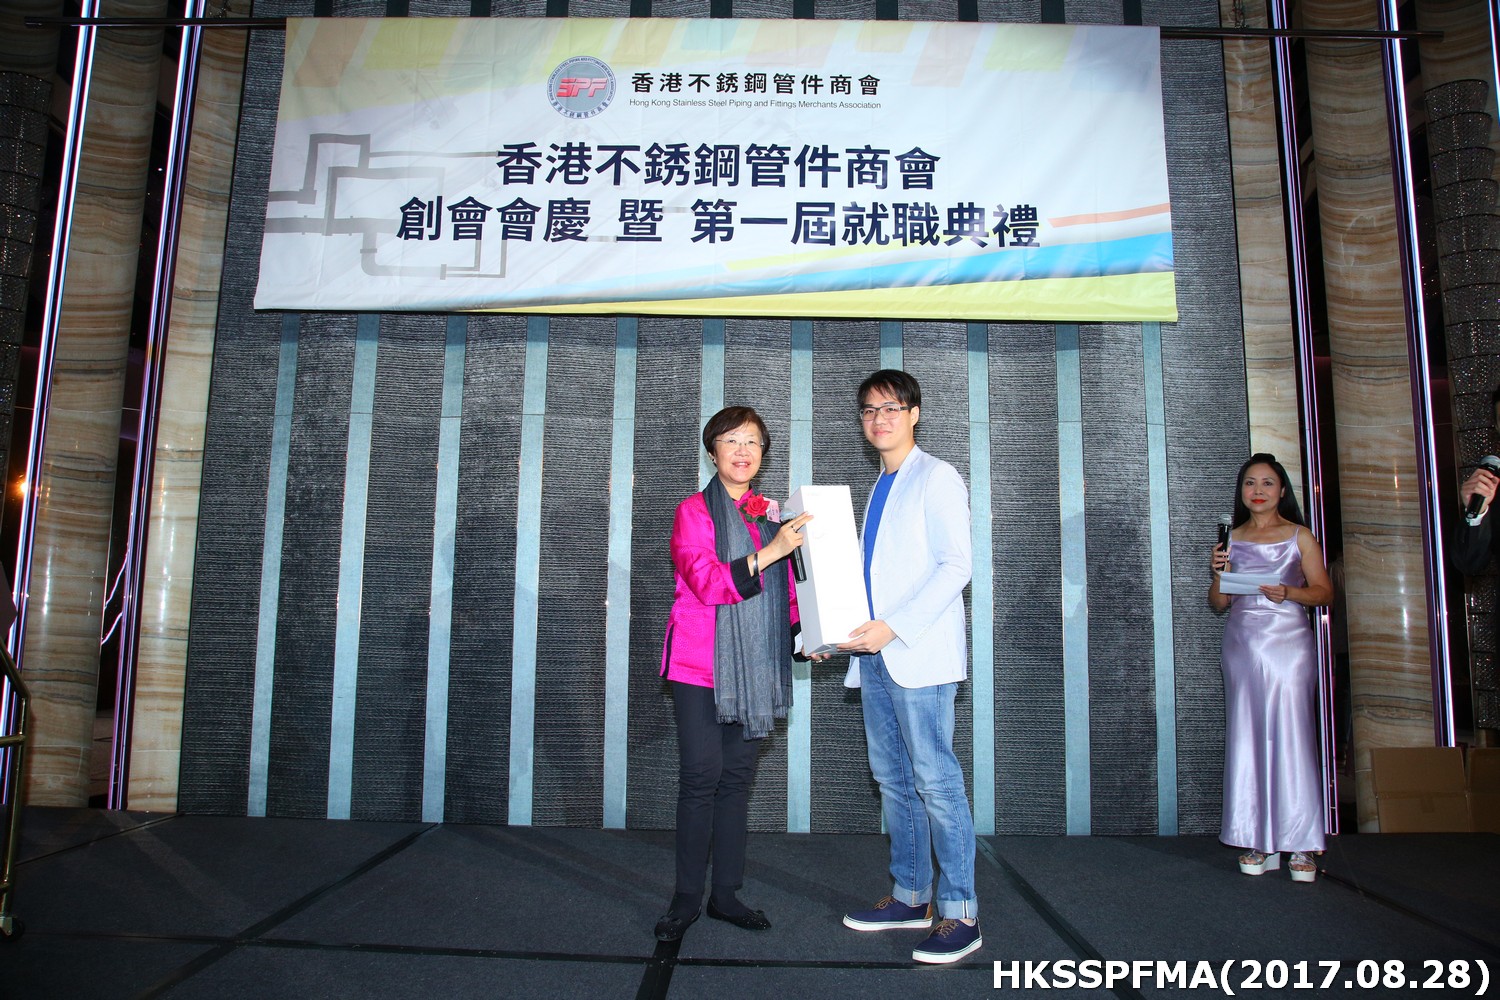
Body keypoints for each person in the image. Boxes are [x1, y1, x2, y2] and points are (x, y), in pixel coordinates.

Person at [836, 369, 981, 965]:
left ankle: (961, 912)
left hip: (917, 653)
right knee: (893, 781)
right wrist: (836, 635)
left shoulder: (936, 476)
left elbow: (956, 566)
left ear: (914, 413)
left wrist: (893, 627)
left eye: (891, 408)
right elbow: (875, 577)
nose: (880, 419)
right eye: (870, 410)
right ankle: (910, 896)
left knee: (936, 784)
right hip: (875, 656)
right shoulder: (880, 484)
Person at [653, 405, 814, 942]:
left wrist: (806, 639)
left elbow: (788, 594)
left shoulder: (770, 514)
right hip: (700, 667)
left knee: (737, 782)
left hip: (757, 666)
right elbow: (706, 582)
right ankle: (684, 900)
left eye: (752, 442)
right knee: (701, 778)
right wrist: (773, 551)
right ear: (712, 452)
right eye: (731, 441)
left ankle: (725, 895)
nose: (742, 451)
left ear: (763, 452)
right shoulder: (693, 511)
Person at [1209, 453, 1333, 883]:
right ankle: (1256, 837)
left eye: (1266, 483)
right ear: (1241, 491)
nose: (1257, 491)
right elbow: (1219, 603)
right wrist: (1218, 573)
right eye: (1250, 483)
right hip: (1242, 646)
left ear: (1281, 491)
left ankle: (1301, 842)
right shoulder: (1231, 539)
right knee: (1248, 736)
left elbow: (1324, 593)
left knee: (1292, 735)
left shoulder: (1300, 535)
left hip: (1289, 645)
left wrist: (1289, 593)